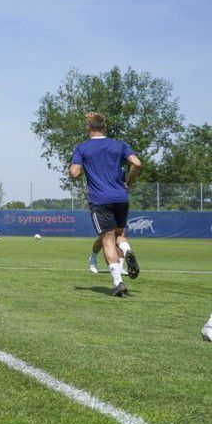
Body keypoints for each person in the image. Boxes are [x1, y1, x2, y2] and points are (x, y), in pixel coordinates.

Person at [69, 112, 143, 297]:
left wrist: (78, 167)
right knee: (120, 235)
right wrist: (128, 183)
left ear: (89, 129)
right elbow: (137, 164)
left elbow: (75, 173)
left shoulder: (82, 148)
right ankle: (127, 251)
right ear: (105, 128)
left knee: (107, 240)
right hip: (121, 197)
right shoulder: (119, 145)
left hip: (100, 200)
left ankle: (118, 283)